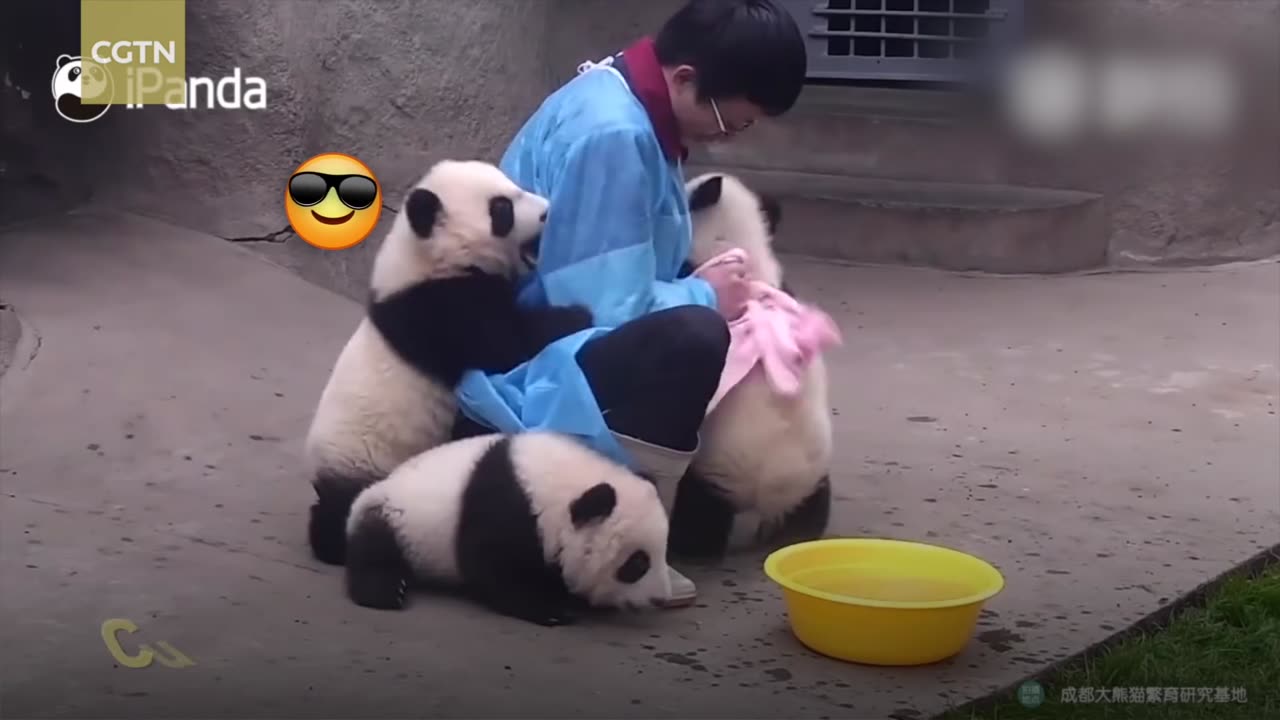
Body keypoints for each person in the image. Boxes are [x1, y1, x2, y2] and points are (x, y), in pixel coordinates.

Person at [453, 0, 807, 606]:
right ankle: (624, 538)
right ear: (686, 78)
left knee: (757, 312)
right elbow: (595, 308)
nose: (726, 137)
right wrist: (702, 293)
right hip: (519, 379)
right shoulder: (614, 133)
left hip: (538, 340)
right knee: (697, 336)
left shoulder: (629, 99)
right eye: (730, 122)